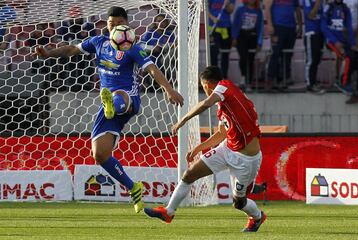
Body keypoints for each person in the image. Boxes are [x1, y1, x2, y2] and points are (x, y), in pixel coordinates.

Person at [33, 6, 184, 213]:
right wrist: (48, 53)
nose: (113, 27)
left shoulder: (132, 48)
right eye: (111, 24)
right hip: (108, 109)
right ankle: (134, 187)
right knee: (100, 155)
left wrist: (168, 89)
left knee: (117, 96)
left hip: (128, 99)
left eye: (118, 24)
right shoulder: (98, 42)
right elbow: (71, 49)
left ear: (127, 24)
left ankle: (112, 104)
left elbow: (151, 68)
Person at [144, 66, 266, 232]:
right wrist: (198, 148)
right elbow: (222, 133)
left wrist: (183, 119)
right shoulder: (226, 103)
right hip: (227, 148)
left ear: (207, 84)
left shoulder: (225, 86)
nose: (205, 91)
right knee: (189, 174)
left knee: (239, 202)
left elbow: (206, 103)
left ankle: (258, 217)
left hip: (246, 159)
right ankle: (168, 212)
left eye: (203, 87)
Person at [321, 0, 358, 102]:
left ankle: (349, 84)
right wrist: (335, 41)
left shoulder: (345, 9)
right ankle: (344, 83)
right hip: (331, 42)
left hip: (343, 42)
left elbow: (349, 28)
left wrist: (353, 43)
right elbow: (323, 27)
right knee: (346, 56)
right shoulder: (328, 8)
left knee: (355, 56)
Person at [264, 0, 302, 90]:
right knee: (275, 53)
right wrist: (269, 24)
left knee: (287, 55)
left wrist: (300, 25)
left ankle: (284, 78)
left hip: (291, 27)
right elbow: (267, 8)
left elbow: (297, 9)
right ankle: (271, 79)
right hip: (277, 27)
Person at [232, 0, 264, 91]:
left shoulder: (258, 11)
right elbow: (235, 24)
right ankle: (243, 78)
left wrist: (259, 42)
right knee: (243, 57)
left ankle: (249, 82)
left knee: (250, 59)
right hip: (241, 36)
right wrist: (234, 37)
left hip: (252, 36)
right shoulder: (240, 9)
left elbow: (260, 28)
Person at [303, 0, 325, 93]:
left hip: (320, 33)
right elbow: (310, 15)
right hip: (311, 32)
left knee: (317, 59)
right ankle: (309, 84)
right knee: (311, 60)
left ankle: (314, 82)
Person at [209, 0, 235, 78]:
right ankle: (214, 78)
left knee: (225, 54)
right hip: (213, 29)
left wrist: (228, 4)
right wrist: (213, 18)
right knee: (213, 54)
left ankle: (224, 78)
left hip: (226, 30)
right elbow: (205, 9)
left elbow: (231, 10)